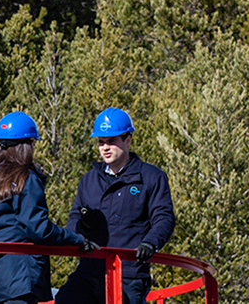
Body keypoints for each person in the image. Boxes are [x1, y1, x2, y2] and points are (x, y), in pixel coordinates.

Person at [0, 111, 99, 304]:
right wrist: (76, 239)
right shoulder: (25, 179)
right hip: (23, 278)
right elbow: (38, 229)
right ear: (28, 145)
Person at [55, 107, 176, 304]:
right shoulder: (89, 180)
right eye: (101, 142)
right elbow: (74, 219)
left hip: (128, 274)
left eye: (112, 141)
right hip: (90, 269)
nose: (105, 148)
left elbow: (164, 218)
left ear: (127, 140)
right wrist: (80, 232)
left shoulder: (152, 178)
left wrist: (150, 243)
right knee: (66, 299)